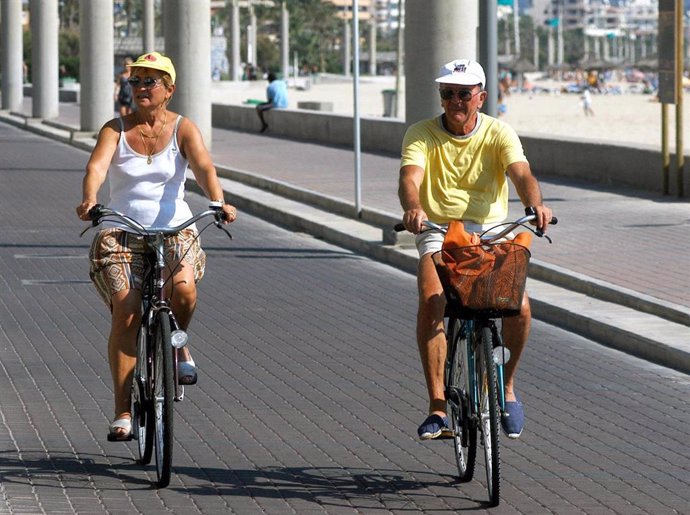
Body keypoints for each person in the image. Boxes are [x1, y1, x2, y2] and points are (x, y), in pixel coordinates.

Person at [76, 52, 238, 441]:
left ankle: (177, 344)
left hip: (174, 229)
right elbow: (96, 168)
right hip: (121, 231)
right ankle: (122, 410)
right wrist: (88, 199)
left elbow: (203, 166)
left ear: (169, 89)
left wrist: (218, 201)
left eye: (150, 81)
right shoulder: (114, 129)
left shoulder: (183, 128)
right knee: (128, 312)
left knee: (183, 291)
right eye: (135, 81)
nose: (140, 88)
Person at [398, 58, 553, 441]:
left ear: (480, 97)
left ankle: (508, 389)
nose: (455, 101)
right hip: (438, 227)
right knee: (432, 299)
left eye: (463, 94)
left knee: (520, 306)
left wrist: (535, 206)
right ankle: (437, 407)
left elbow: (522, 174)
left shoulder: (500, 133)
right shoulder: (421, 134)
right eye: (448, 94)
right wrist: (412, 208)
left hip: (492, 230)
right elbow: (409, 177)